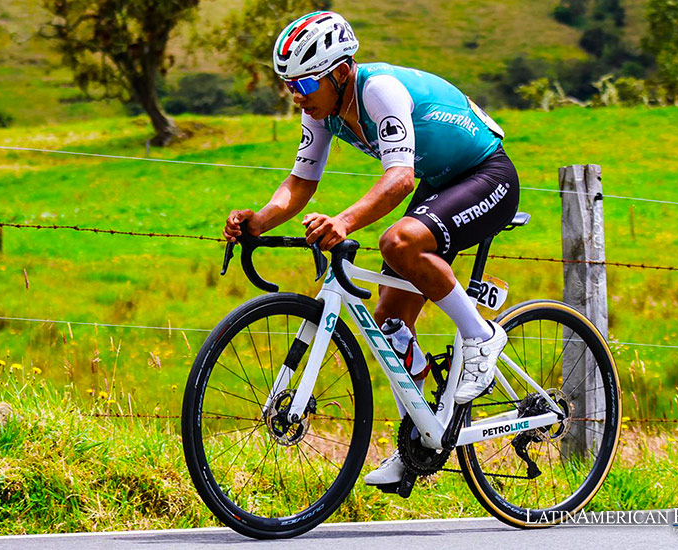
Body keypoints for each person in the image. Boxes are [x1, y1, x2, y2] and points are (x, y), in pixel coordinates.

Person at [222, 11, 520, 487]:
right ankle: (423, 438)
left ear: (340, 72)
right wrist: (256, 221)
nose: (297, 95)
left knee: (397, 240)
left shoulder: (379, 90)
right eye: (289, 85)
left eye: (305, 82)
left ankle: (482, 337)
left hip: (488, 176)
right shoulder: (320, 111)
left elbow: (400, 179)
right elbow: (299, 185)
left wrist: (343, 220)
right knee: (392, 327)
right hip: (441, 183)